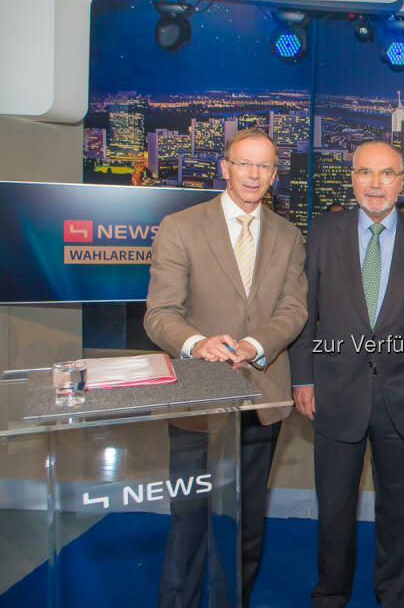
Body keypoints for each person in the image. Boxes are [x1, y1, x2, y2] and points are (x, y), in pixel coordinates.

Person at [144, 128, 308, 608]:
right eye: (244, 163)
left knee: (247, 519)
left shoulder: (288, 234)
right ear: (225, 167)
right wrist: (197, 344)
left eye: (264, 166)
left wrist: (257, 344)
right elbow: (160, 313)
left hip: (261, 395)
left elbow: (294, 310)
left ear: (274, 174)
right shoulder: (180, 226)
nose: (254, 174)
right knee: (190, 515)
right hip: (197, 395)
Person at [289, 141, 404, 608]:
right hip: (335, 391)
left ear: (401, 180)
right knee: (333, 508)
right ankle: (331, 594)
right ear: (352, 178)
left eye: (386, 174)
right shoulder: (322, 231)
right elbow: (304, 311)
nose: (375, 184)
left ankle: (390, 595)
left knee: (399, 511)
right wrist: (302, 379)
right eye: (365, 173)